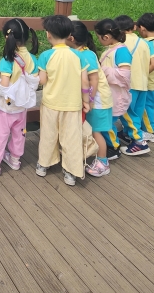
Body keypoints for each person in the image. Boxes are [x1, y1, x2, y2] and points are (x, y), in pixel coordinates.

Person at [35, 15, 90, 186]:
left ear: (48, 34)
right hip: (73, 104)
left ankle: (43, 164)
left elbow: (42, 81)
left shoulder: (45, 56)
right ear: (69, 35)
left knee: (48, 134)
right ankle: (71, 172)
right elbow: (85, 81)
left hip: (51, 103)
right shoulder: (78, 55)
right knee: (71, 138)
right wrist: (86, 101)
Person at [0, 18, 39, 177]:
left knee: (1, 134)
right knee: (20, 132)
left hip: (7, 107)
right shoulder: (32, 59)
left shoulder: (7, 60)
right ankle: (15, 159)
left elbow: (4, 85)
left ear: (7, 37)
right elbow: (34, 81)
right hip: (22, 106)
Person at [67, 21, 112, 177]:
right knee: (92, 130)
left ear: (71, 38)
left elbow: (93, 80)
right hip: (94, 99)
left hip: (98, 101)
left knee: (96, 132)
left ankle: (103, 162)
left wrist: (90, 100)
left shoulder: (85, 55)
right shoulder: (82, 52)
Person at [94, 19, 132, 161]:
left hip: (116, 96)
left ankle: (114, 147)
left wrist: (102, 70)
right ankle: (110, 144)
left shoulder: (121, 51)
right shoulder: (112, 49)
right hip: (110, 94)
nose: (98, 41)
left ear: (107, 37)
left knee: (107, 124)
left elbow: (124, 75)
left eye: (99, 37)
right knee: (106, 122)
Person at [115, 15, 152, 157]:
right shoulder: (144, 42)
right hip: (143, 83)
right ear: (134, 27)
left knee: (127, 113)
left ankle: (138, 142)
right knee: (136, 112)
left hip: (130, 84)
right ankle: (127, 134)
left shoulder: (122, 43)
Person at [137, 13, 154, 143]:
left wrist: (141, 74)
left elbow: (152, 64)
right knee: (150, 105)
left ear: (142, 28)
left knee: (145, 108)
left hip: (148, 81)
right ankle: (146, 129)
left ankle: (151, 132)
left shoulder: (145, 44)